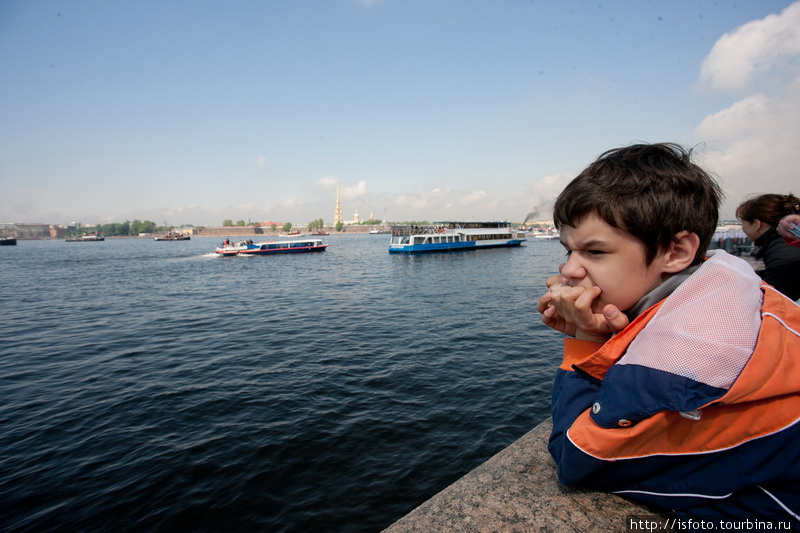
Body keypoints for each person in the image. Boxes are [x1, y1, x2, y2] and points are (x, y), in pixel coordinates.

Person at [536, 143, 800, 524]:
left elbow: (578, 457)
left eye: (594, 252)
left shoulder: (678, 357)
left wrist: (583, 341)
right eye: (569, 250)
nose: (570, 269)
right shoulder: (732, 281)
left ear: (676, 251)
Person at [736, 194, 800, 300]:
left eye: (743, 223)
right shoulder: (783, 244)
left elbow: (775, 294)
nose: (742, 228)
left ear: (756, 224)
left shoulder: (782, 252)